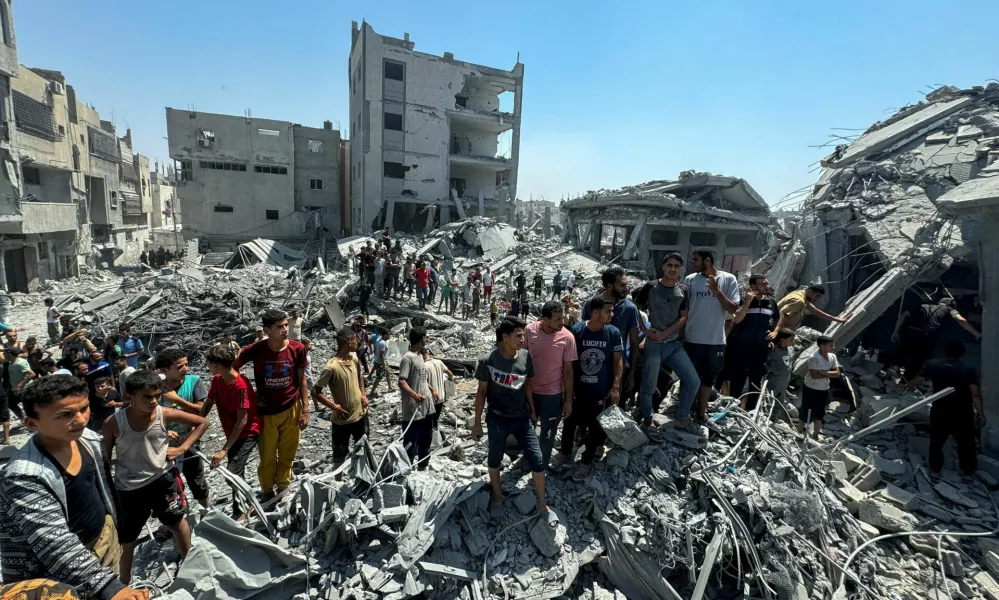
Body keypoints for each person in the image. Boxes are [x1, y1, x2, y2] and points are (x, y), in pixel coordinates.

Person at [0, 375, 151, 600]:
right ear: (32, 424)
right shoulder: (22, 476)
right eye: (65, 415)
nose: (80, 420)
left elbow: (103, 490)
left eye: (84, 408)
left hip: (102, 540)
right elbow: (53, 543)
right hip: (54, 575)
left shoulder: (88, 439)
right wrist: (110, 588)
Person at [103, 370, 208, 585]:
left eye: (157, 395)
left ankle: (189, 566)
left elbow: (202, 423)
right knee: (127, 538)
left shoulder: (163, 414)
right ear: (128, 398)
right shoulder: (114, 423)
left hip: (163, 480)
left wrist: (182, 448)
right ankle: (124, 582)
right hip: (129, 489)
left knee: (177, 522)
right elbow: (104, 459)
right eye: (147, 396)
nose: (153, 401)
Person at [472, 318, 555, 522]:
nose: (522, 339)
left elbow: (527, 385)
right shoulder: (488, 360)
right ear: (505, 337)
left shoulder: (525, 357)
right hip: (497, 419)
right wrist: (477, 423)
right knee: (494, 458)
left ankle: (542, 504)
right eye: (518, 335)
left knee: (537, 460)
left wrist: (533, 411)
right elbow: (481, 392)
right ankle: (498, 498)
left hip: (521, 418)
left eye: (523, 335)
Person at [235, 308, 309, 500]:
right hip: (266, 412)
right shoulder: (256, 349)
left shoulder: (297, 349)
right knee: (267, 455)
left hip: (291, 407)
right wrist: (250, 396)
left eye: (286, 325)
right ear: (267, 330)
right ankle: (267, 489)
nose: (285, 330)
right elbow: (234, 370)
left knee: (288, 452)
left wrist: (306, 409)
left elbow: (302, 379)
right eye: (279, 327)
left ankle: (284, 486)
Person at [639, 253, 702, 436]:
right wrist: (646, 329)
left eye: (676, 266)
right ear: (663, 267)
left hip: (673, 344)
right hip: (653, 345)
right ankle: (648, 420)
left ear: (680, 269)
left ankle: (682, 418)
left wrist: (664, 334)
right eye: (669, 265)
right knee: (649, 385)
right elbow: (637, 308)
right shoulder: (651, 287)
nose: (672, 269)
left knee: (692, 381)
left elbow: (683, 317)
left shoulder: (683, 290)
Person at [561, 296, 623, 478]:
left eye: (612, 310)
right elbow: (569, 363)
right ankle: (565, 453)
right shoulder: (577, 331)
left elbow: (617, 361)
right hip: (577, 390)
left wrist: (616, 385)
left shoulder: (613, 333)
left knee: (595, 427)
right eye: (608, 311)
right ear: (595, 313)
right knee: (570, 422)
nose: (612, 314)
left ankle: (586, 461)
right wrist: (567, 388)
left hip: (600, 392)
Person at [202, 344, 262, 521]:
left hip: (247, 432)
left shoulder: (240, 386)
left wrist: (224, 449)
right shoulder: (217, 380)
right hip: (233, 432)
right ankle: (241, 508)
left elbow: (242, 420)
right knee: (236, 472)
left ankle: (246, 506)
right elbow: (208, 403)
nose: (206, 365)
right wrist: (194, 426)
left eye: (208, 362)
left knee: (233, 473)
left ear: (217, 365)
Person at [907, 342, 984, 479]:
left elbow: (916, 381)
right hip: (963, 412)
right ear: (962, 354)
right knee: (966, 443)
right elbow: (975, 394)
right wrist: (980, 413)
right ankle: (967, 472)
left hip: (940, 409)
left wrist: (908, 384)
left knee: (936, 441)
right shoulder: (968, 369)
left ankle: (935, 470)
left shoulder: (932, 364)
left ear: (945, 351)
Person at [683, 249, 740, 424]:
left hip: (715, 341)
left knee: (708, 379)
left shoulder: (728, 279)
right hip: (692, 339)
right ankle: (685, 412)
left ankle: (701, 414)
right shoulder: (690, 280)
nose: (693, 263)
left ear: (707, 261)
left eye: (696, 260)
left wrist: (716, 290)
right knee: (689, 378)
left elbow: (733, 309)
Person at [523, 301, 577, 469]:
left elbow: (568, 371)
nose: (563, 322)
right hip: (529, 391)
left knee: (548, 433)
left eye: (563, 317)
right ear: (545, 319)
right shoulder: (529, 331)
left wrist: (568, 400)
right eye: (557, 319)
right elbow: (521, 359)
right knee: (526, 430)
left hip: (552, 395)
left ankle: (541, 465)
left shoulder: (567, 337)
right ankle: (527, 459)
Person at [156, 348, 210, 508]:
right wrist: (164, 432)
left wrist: (177, 399)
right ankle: (178, 517)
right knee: (170, 484)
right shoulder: (156, 388)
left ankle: (206, 513)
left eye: (186, 364)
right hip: (164, 446)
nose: (185, 369)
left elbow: (201, 412)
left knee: (197, 480)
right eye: (179, 366)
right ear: (165, 370)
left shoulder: (193, 381)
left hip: (191, 440)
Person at [313, 326, 369, 471]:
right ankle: (337, 479)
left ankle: (362, 476)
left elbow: (359, 377)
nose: (358, 342)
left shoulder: (354, 359)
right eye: (356, 340)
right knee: (339, 452)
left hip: (360, 414)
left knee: (363, 447)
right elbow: (316, 392)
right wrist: (334, 407)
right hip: (342, 419)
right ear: (348, 342)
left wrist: (363, 394)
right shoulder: (331, 367)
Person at [582, 267, 641, 402]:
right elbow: (584, 333)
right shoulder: (592, 304)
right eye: (622, 285)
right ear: (609, 286)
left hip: (616, 370)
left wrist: (631, 373)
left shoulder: (630, 308)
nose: (626, 288)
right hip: (592, 367)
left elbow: (633, 342)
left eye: (626, 284)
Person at [892, 298, 981, 382]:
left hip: (910, 332)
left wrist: (895, 332)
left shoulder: (922, 305)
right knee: (917, 362)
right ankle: (904, 383)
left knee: (903, 352)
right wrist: (976, 334)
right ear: (951, 305)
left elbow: (903, 315)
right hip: (926, 336)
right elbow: (960, 320)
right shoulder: (949, 309)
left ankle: (894, 368)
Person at [727, 276, 779, 410]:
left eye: (767, 283)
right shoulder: (743, 300)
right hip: (741, 348)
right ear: (753, 287)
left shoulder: (772, 302)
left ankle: (751, 410)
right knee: (737, 380)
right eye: (763, 284)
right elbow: (737, 319)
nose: (767, 286)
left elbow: (778, 318)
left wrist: (774, 332)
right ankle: (732, 408)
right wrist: (748, 301)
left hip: (761, 349)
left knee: (756, 381)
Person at [398, 327, 436, 469]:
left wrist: (431, 390)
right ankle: (406, 470)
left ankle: (422, 467)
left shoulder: (420, 356)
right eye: (426, 337)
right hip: (413, 410)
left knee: (426, 440)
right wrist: (414, 395)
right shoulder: (407, 358)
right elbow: (402, 381)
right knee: (410, 442)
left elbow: (422, 379)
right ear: (421, 339)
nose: (427, 340)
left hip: (427, 407)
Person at [799, 336, 839, 440]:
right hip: (811, 388)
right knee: (805, 409)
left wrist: (823, 372)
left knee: (820, 412)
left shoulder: (832, 356)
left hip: (824, 388)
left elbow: (837, 373)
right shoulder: (814, 358)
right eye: (831, 345)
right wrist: (830, 374)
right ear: (822, 346)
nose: (833, 347)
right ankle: (799, 432)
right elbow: (814, 376)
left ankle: (815, 434)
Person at [773, 284, 851, 336]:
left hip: (783, 331)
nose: (817, 299)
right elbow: (781, 313)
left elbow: (816, 312)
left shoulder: (802, 294)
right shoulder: (799, 301)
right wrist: (776, 331)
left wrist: (837, 319)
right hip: (777, 332)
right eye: (817, 296)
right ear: (810, 292)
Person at [422, 349, 453, 433]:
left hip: (432, 398)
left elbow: (423, 381)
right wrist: (451, 381)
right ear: (427, 353)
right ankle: (436, 434)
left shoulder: (424, 366)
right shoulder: (439, 362)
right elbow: (449, 373)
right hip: (441, 396)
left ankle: (432, 438)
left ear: (421, 356)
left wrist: (432, 390)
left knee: (430, 420)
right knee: (436, 419)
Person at [765, 329, 796, 403]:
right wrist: (769, 369)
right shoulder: (773, 351)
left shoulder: (790, 349)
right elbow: (765, 363)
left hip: (784, 383)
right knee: (769, 402)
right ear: (783, 340)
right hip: (773, 384)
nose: (793, 341)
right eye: (791, 339)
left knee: (779, 404)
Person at [367, 329, 394, 396]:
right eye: (388, 334)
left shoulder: (378, 339)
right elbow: (381, 355)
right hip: (380, 363)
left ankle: (390, 388)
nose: (390, 336)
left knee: (388, 373)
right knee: (379, 377)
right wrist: (383, 365)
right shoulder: (382, 343)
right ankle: (372, 392)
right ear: (385, 335)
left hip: (379, 361)